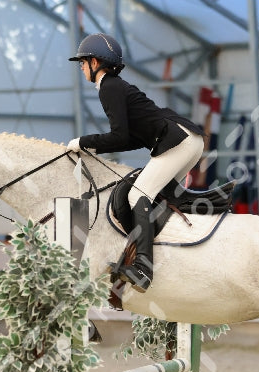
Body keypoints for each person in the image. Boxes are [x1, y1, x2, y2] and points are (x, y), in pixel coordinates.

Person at [66, 33, 205, 292]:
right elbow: (129, 139)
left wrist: (83, 142)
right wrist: (92, 146)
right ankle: (171, 252)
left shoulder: (108, 87)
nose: (81, 67)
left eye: (82, 62)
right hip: (189, 140)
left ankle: (142, 268)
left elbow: (118, 136)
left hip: (178, 141)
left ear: (95, 62)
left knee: (138, 194)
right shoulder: (115, 86)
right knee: (157, 197)